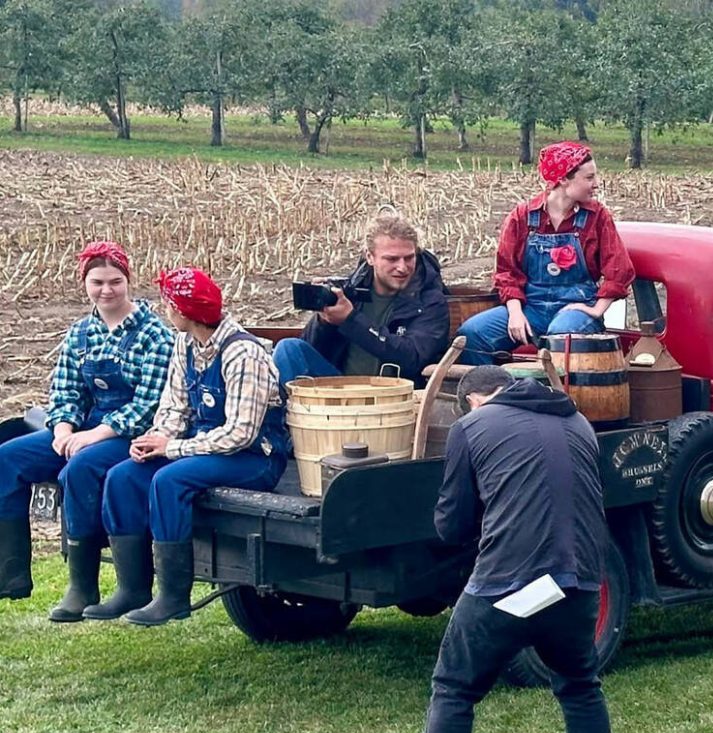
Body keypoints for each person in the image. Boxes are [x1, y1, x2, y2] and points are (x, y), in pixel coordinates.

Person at [393, 365, 620, 733]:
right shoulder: (578, 422)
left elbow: (452, 525)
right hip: (580, 580)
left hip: (508, 582)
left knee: (454, 688)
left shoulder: (471, 426)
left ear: (476, 400)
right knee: (580, 686)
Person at [90, 267, 289, 626]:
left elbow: (240, 433)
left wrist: (173, 448)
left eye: (169, 304)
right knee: (123, 476)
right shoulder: (185, 344)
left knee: (170, 481)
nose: (165, 310)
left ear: (184, 312)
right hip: (204, 446)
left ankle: (173, 596)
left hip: (253, 458)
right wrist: (153, 440)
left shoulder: (243, 354)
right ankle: (132, 588)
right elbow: (175, 406)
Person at [0, 241, 174, 621]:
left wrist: (94, 436)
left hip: (132, 433)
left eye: (115, 282)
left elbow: (149, 405)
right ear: (85, 284)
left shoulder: (154, 335)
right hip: (84, 426)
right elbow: (65, 392)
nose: (106, 290)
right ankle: (11, 575)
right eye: (97, 282)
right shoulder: (81, 332)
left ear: (128, 281)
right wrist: (63, 429)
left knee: (80, 468)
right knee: (7, 458)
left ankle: (82, 586)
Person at [458, 141, 635, 365]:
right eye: (589, 178)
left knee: (560, 336)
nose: (596, 184)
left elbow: (619, 270)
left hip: (575, 309)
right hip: (531, 307)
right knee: (473, 334)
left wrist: (596, 310)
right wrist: (515, 313)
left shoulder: (597, 217)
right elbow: (506, 272)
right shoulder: (523, 216)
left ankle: (558, 389)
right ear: (564, 179)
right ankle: (494, 387)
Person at [273, 212, 450, 386]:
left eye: (409, 258)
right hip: (338, 388)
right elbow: (311, 350)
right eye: (392, 259)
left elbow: (413, 358)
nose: (402, 267)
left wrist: (350, 320)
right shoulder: (351, 291)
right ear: (370, 257)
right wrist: (324, 319)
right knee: (288, 349)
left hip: (396, 394)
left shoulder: (430, 301)